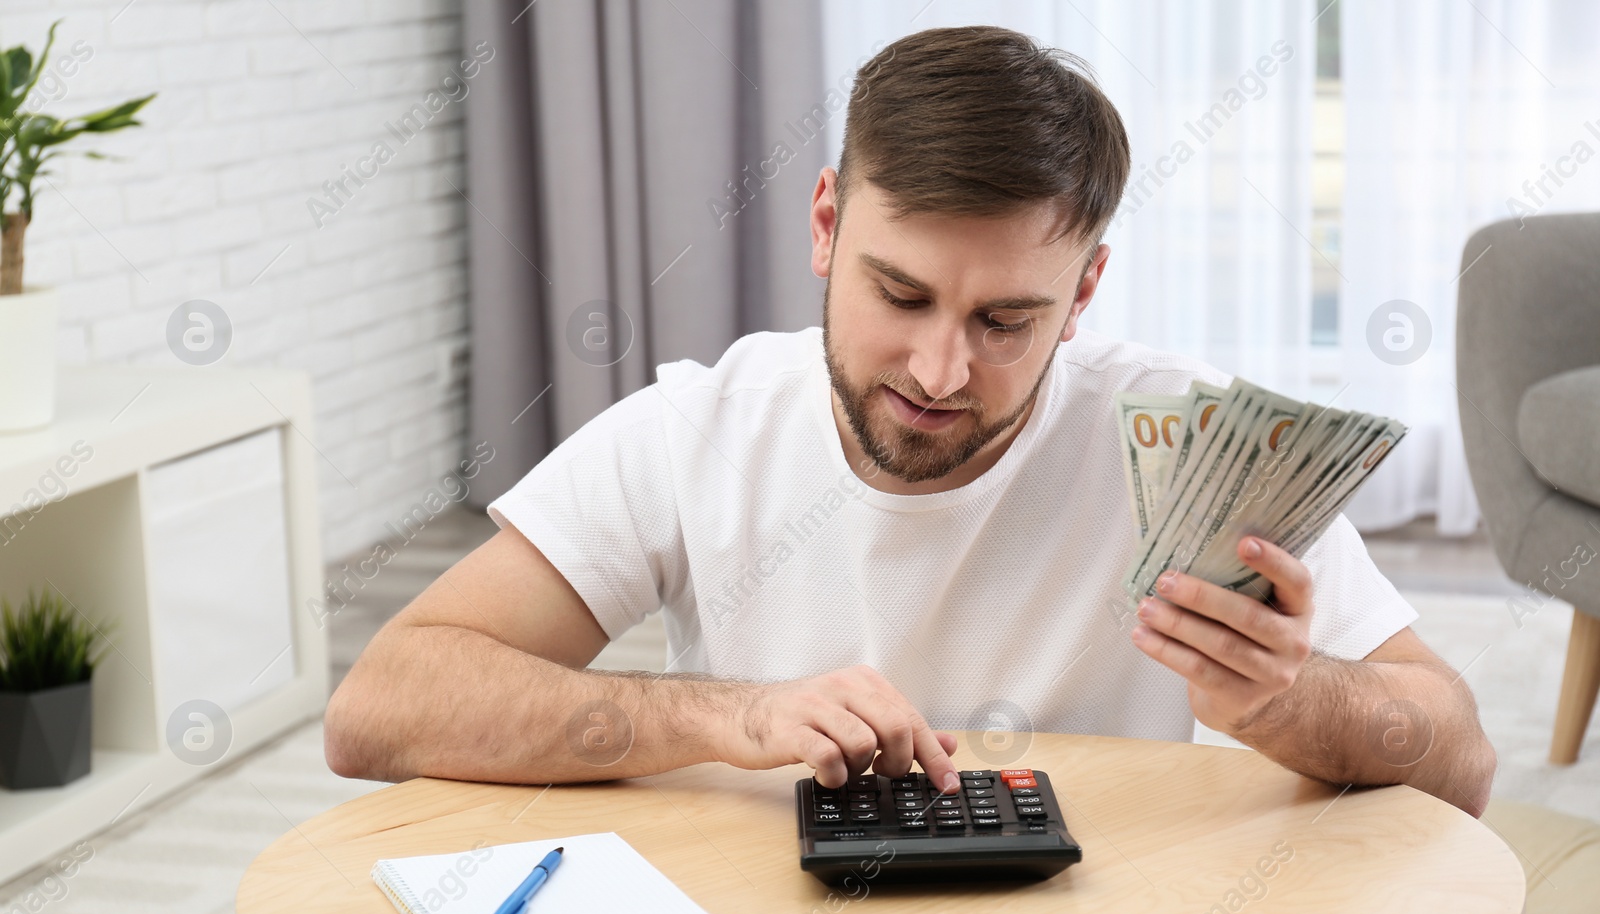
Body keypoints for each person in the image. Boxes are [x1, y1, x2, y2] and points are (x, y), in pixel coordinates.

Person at [322, 25, 1496, 820]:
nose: (942, 369)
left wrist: (1297, 700)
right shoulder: (699, 426)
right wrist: (734, 715)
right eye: (901, 295)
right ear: (826, 225)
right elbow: (383, 704)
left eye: (1006, 318)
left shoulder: (1187, 443)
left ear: (1083, 292)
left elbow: (1461, 760)